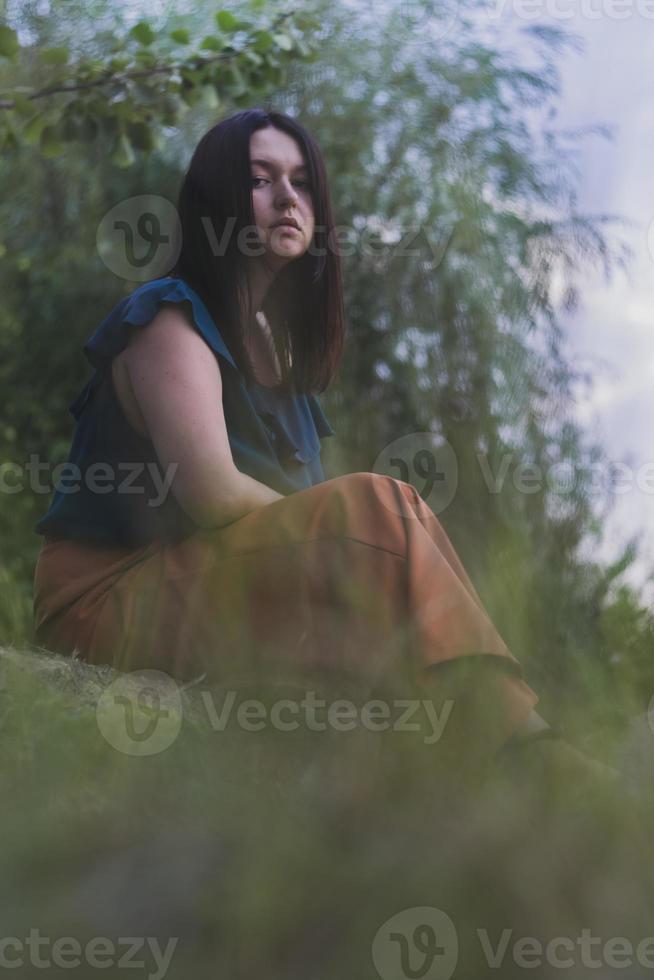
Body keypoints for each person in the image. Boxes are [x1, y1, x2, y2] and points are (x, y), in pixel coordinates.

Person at [31, 107, 607, 788]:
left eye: (303, 183)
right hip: (111, 604)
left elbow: (295, 528)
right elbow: (213, 493)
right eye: (260, 178)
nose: (288, 198)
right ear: (217, 195)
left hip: (209, 585)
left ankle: (481, 776)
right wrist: (343, 534)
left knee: (387, 586)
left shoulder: (286, 361)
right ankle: (528, 751)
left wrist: (349, 550)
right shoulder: (168, 318)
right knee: (381, 508)